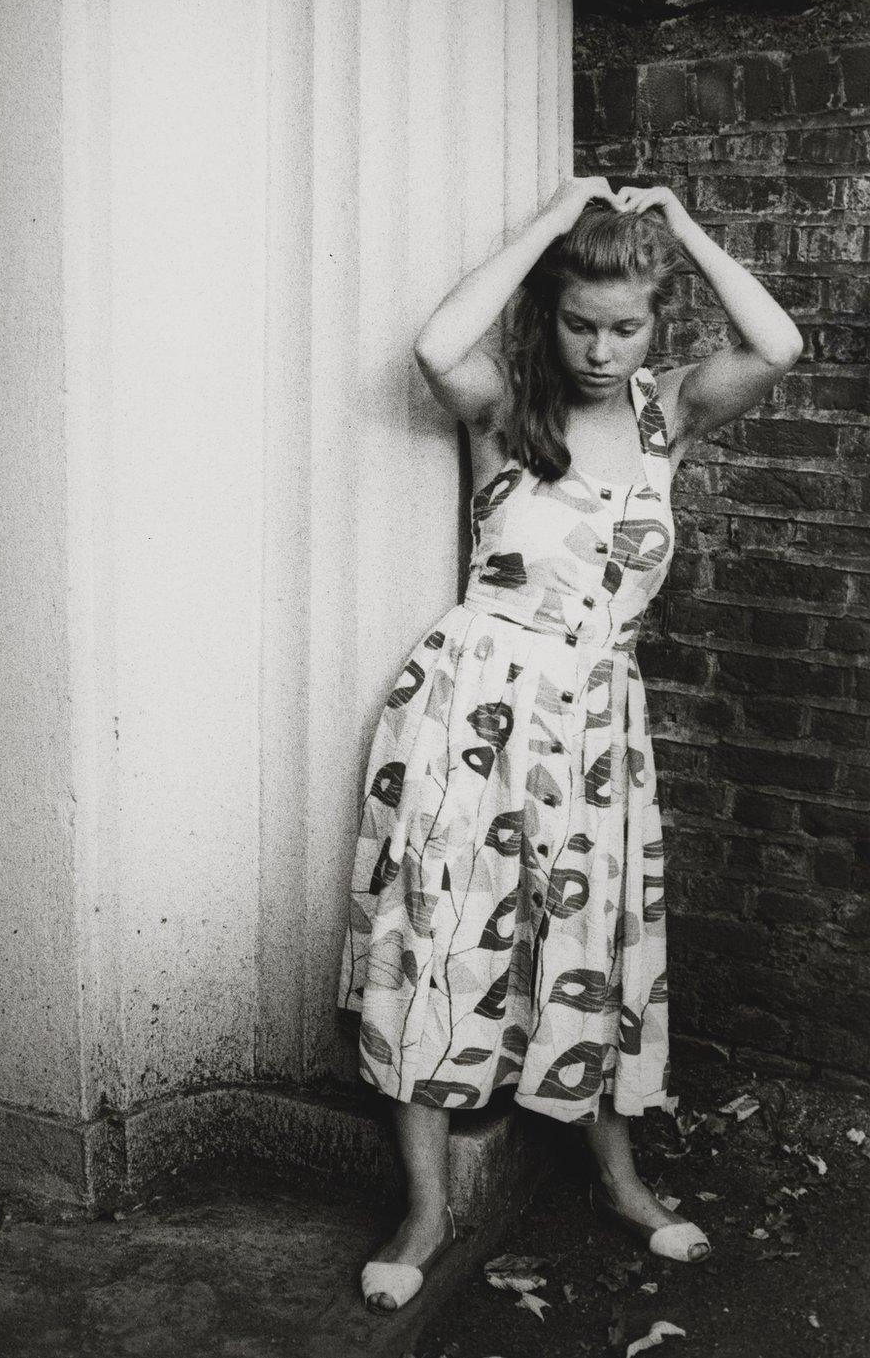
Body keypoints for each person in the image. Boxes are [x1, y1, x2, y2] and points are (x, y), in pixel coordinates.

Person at [337, 176, 803, 1315]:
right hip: (470, 704)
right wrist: (551, 226)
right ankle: (428, 1208)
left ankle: (618, 1177)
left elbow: (779, 343)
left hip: (596, 715)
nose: (599, 349)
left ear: (656, 323)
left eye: (623, 326)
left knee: (592, 938)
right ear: (549, 315)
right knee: (441, 938)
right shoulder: (504, 409)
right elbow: (437, 341)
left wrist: (677, 227)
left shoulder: (670, 414)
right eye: (578, 321)